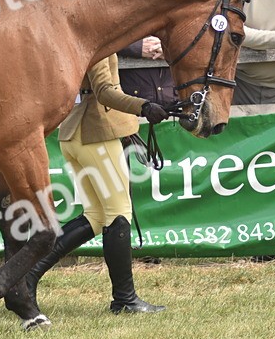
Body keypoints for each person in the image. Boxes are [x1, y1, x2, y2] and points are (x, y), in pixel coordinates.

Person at [21, 54, 169, 314]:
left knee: (96, 216)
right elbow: (104, 92)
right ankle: (125, 299)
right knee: (118, 214)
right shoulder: (100, 44)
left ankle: (28, 274)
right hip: (96, 132)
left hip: (72, 135)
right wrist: (143, 106)